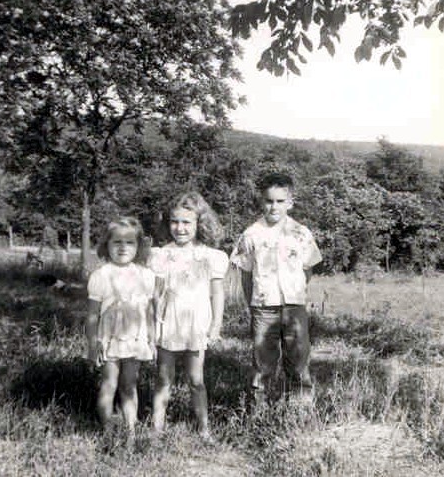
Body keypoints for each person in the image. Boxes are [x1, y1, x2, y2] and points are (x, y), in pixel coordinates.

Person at [230, 172, 322, 405]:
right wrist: (253, 305)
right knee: (263, 363)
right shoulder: (251, 234)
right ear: (261, 201)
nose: (274, 207)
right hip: (263, 307)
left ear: (290, 202)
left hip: (294, 306)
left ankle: (300, 409)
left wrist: (296, 293)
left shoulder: (301, 233)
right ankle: (259, 410)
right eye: (269, 201)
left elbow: (307, 269)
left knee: (298, 360)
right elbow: (246, 274)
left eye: (280, 201)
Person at [148, 191, 228, 440]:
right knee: (164, 379)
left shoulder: (210, 256)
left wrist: (216, 326)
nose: (180, 228)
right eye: (174, 222)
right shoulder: (162, 254)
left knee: (196, 379)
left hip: (196, 324)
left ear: (199, 223)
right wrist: (151, 326)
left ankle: (204, 429)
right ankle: (156, 429)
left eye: (186, 222)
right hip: (168, 322)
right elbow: (155, 294)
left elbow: (217, 294)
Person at [86, 217, 155, 443]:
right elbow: (92, 315)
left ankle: (131, 431)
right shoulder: (101, 275)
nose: (123, 247)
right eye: (117, 242)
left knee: (129, 385)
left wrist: (151, 338)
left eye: (130, 242)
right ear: (106, 245)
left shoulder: (145, 275)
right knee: (109, 383)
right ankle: (107, 430)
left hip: (135, 338)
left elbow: (149, 312)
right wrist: (92, 344)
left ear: (139, 246)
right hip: (109, 339)